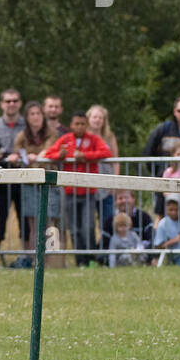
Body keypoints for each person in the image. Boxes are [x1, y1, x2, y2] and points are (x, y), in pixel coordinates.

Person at [41, 112, 112, 267]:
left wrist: (86, 156)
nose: (79, 127)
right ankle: (80, 261)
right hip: (69, 192)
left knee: (88, 227)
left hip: (88, 191)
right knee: (74, 229)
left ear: (86, 125)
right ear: (71, 125)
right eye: (76, 124)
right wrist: (60, 155)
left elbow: (106, 152)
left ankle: (91, 259)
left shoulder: (93, 139)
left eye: (82, 124)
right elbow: (48, 154)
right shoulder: (66, 140)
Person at [12, 102, 62, 266]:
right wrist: (28, 159)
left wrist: (34, 158)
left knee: (47, 223)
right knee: (33, 224)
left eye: (38, 114)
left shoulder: (52, 133)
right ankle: (36, 260)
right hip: (30, 184)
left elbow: (48, 153)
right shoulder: (22, 135)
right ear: (27, 118)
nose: (35, 117)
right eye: (32, 114)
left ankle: (48, 261)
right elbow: (18, 153)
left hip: (48, 183)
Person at [0, 88, 25, 248]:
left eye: (15, 101)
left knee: (25, 219)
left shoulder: (27, 125)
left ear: (20, 103)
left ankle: (29, 257)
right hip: (1, 178)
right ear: (1, 104)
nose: (11, 104)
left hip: (23, 177)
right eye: (8, 101)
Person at [86, 104, 119, 241]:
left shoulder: (109, 137)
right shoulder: (84, 137)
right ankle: (90, 253)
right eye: (94, 117)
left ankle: (105, 252)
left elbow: (116, 160)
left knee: (107, 220)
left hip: (106, 184)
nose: (97, 120)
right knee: (88, 223)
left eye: (100, 117)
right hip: (88, 184)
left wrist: (115, 182)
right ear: (89, 118)